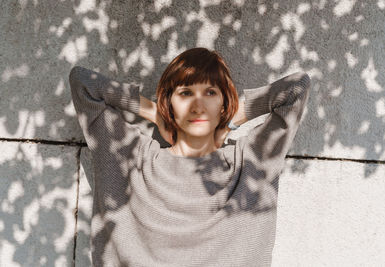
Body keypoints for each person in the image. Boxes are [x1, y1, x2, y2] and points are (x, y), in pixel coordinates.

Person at [69, 47, 310, 266]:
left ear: (224, 102)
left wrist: (232, 116)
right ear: (169, 103)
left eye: (210, 92)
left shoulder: (249, 161)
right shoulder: (132, 157)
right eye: (185, 93)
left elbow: (296, 88)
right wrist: (155, 112)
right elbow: (82, 83)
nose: (198, 106)